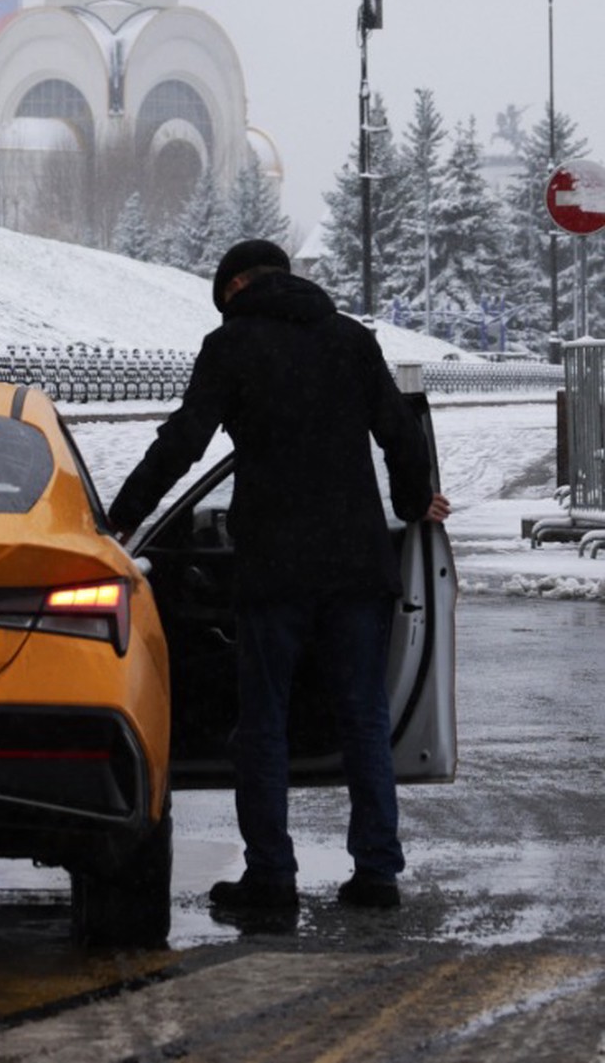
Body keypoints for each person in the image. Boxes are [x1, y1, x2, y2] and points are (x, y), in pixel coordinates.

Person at [106, 239, 451, 914]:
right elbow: (400, 438)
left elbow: (184, 439)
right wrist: (413, 503)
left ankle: (272, 876)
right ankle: (376, 872)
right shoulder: (351, 341)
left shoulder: (231, 345)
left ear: (235, 286)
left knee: (264, 722)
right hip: (356, 565)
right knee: (363, 718)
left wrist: (123, 516)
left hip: (274, 569)